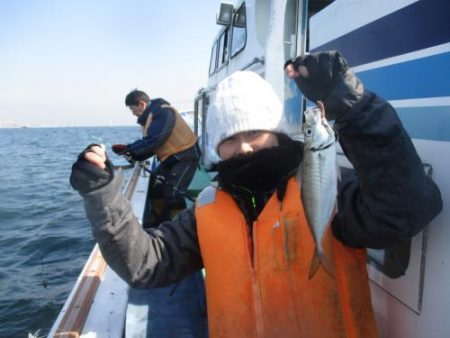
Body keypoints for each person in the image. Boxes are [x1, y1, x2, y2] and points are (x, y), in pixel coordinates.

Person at [70, 51, 443, 337]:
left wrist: (352, 105)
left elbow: (403, 210)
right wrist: (103, 194)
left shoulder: (325, 190)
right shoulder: (206, 210)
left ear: (278, 132)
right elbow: (144, 264)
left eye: (254, 132)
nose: (244, 148)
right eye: (230, 139)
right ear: (218, 148)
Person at [113, 90, 200, 226]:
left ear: (141, 104)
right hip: (170, 159)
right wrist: (130, 152)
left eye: (132, 109)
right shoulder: (153, 116)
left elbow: (156, 139)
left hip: (186, 157)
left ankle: (179, 227)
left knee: (174, 194)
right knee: (155, 190)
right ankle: (157, 220)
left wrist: (130, 149)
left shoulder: (163, 112)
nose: (132, 113)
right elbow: (151, 145)